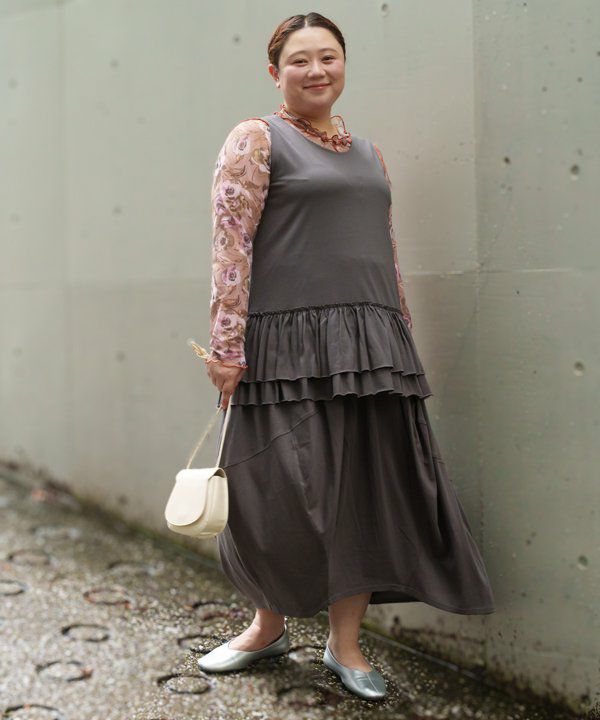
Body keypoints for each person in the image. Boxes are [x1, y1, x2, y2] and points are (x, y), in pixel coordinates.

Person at [196, 12, 496, 700]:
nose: (316, 70)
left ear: (343, 64)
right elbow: (230, 245)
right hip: (282, 344)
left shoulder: (369, 153)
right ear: (275, 73)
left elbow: (382, 248)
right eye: (299, 60)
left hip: (369, 344)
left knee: (363, 490)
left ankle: (346, 643)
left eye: (328, 57)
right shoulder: (255, 138)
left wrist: (398, 332)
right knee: (273, 490)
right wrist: (227, 343)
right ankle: (267, 626)